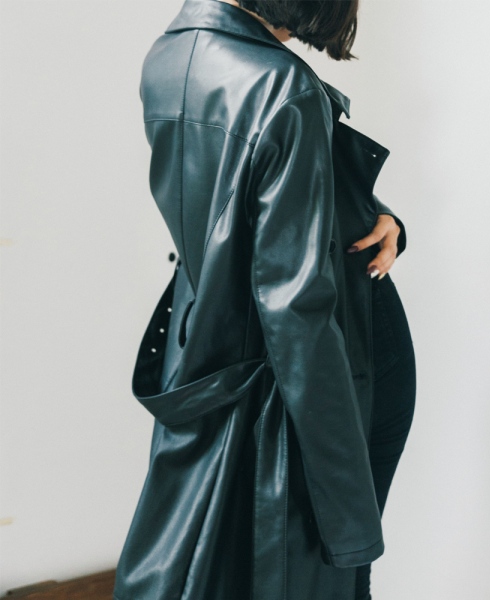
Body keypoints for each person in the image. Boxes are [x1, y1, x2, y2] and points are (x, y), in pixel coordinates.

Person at [114, 1, 416, 599]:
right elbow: (295, 305)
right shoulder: (283, 85)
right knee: (333, 575)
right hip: (314, 373)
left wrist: (376, 216)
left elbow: (230, 200)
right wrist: (346, 506)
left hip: (218, 352)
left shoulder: (169, 55)